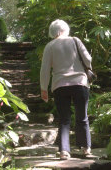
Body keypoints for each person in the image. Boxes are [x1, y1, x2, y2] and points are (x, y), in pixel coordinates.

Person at [40, 19, 95, 160]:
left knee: (64, 119)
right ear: (65, 29)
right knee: (82, 116)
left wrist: (43, 88)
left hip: (60, 85)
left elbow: (45, 69)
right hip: (80, 83)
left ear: (54, 32)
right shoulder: (75, 40)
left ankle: (64, 151)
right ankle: (85, 149)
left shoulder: (50, 46)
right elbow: (87, 59)